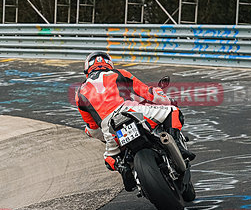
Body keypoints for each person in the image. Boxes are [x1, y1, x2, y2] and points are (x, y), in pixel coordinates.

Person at [74, 51, 194, 190]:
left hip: (109, 126)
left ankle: (122, 167)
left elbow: (93, 128)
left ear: (87, 68)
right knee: (172, 111)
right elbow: (147, 93)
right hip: (130, 111)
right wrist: (168, 101)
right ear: (109, 63)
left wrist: (98, 135)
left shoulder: (79, 93)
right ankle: (178, 147)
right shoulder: (119, 73)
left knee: (110, 158)